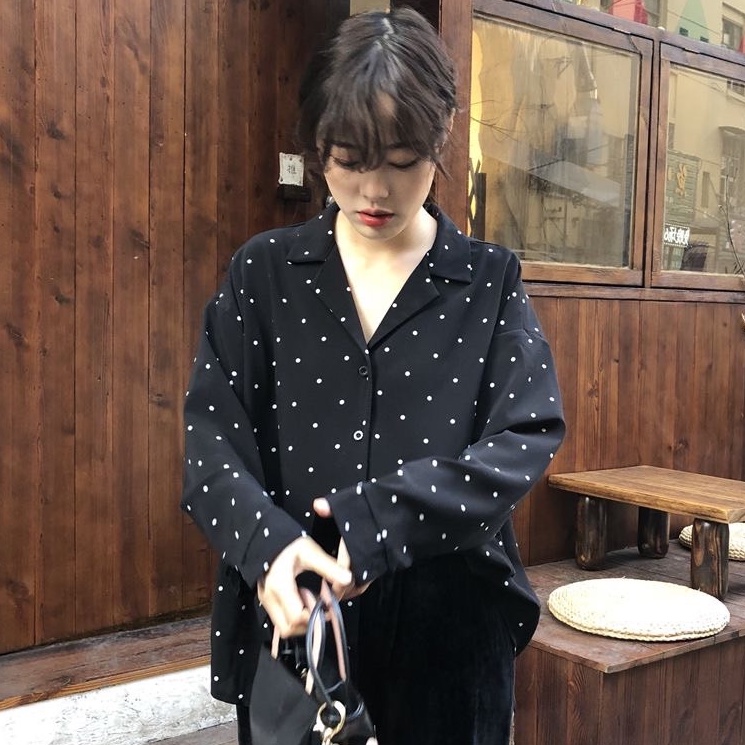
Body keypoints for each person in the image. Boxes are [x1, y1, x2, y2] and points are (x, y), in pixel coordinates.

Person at [181, 7, 565, 745]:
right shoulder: (264, 273)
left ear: (441, 137)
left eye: (401, 159)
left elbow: (525, 434)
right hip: (300, 622)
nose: (373, 190)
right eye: (348, 159)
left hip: (449, 629)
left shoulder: (487, 281)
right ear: (318, 145)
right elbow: (210, 443)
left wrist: (375, 525)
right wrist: (266, 546)